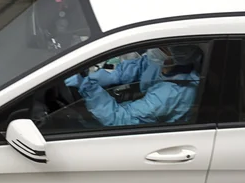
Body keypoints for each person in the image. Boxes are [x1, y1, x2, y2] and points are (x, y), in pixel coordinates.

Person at [64, 45, 203, 126]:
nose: (154, 50)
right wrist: (106, 77)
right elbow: (137, 67)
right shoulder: (162, 63)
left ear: (175, 56)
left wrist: (89, 88)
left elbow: (119, 119)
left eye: (162, 49)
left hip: (148, 132)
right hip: (136, 108)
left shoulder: (172, 93)